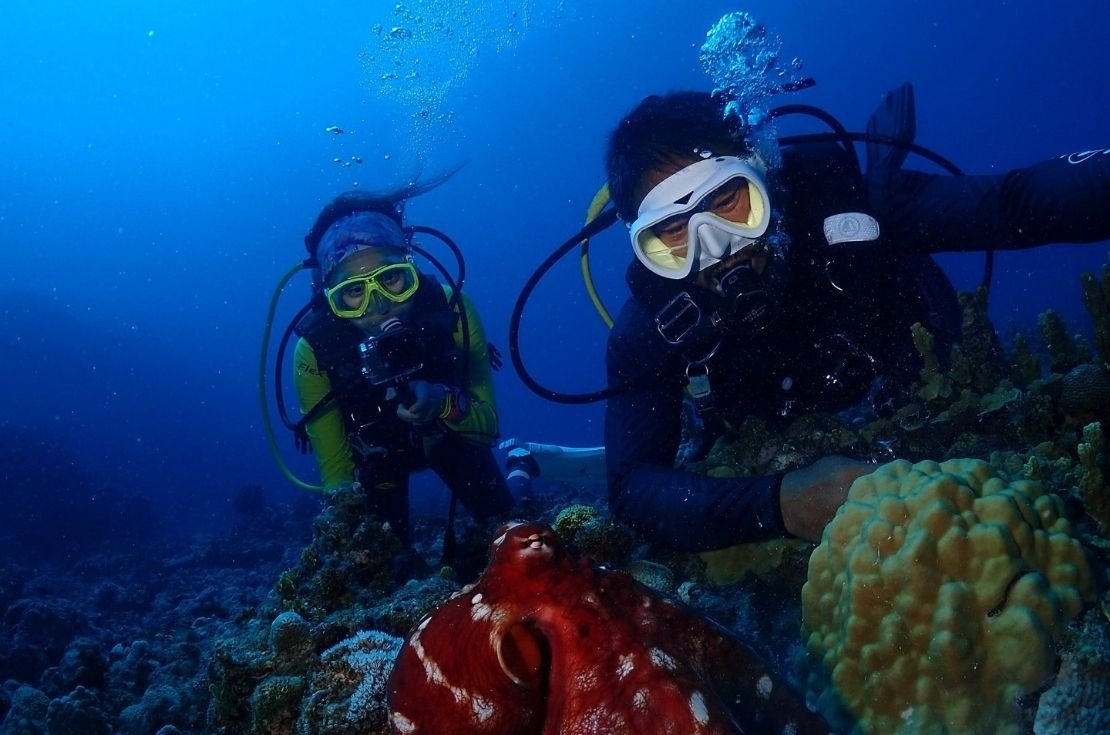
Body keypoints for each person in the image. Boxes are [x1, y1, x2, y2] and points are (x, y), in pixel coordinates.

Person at [602, 88, 1110, 551]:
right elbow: (632, 489)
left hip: (923, 383)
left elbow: (1015, 200)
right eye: (672, 231)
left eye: (728, 202)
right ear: (645, 246)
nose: (715, 248)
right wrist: (781, 504)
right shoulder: (651, 327)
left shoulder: (853, 210)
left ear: (762, 173)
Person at [292, 187, 513, 548]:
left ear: (411, 268)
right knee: (374, 560)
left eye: (392, 279)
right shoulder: (315, 350)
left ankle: (521, 469)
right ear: (331, 299)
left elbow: (487, 428)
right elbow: (338, 482)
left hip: (450, 439)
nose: (380, 306)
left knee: (509, 526)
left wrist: (442, 401)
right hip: (378, 462)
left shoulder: (450, 308)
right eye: (353, 293)